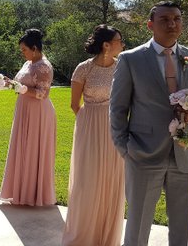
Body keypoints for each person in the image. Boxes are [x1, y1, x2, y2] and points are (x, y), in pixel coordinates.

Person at [110, 1, 188, 246]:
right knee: (137, 227)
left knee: (183, 228)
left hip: (187, 154)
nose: (172, 24)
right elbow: (118, 109)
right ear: (150, 25)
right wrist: (125, 149)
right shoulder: (131, 60)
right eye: (165, 19)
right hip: (143, 153)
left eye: (177, 19)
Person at [61, 25, 125, 246]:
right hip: (89, 126)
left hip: (115, 126)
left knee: (112, 178)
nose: (123, 44)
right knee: (88, 179)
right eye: (119, 40)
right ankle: (84, 234)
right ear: (106, 44)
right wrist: (90, 122)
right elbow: (74, 104)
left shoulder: (121, 68)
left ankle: (106, 236)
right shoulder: (83, 69)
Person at [0, 29, 56, 206]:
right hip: (24, 109)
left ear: (34, 48)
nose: (22, 53)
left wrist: (22, 89)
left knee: (33, 148)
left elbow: (43, 93)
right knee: (22, 148)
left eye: (24, 49)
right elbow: (21, 84)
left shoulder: (44, 66)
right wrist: (9, 84)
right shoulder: (28, 63)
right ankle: (19, 190)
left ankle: (33, 193)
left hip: (38, 112)